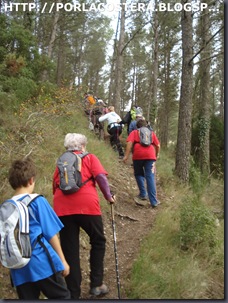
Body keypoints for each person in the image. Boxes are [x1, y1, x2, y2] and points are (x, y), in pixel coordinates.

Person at [53, 133, 115, 299]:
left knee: (69, 250)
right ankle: (96, 285)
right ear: (82, 146)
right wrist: (109, 196)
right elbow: (101, 177)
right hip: (87, 206)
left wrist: (61, 207)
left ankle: (73, 294)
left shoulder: (62, 161)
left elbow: (55, 185)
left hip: (62, 208)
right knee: (98, 240)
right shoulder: (90, 158)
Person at [6, 158, 70, 300]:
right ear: (31, 180)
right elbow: (51, 233)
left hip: (18, 269)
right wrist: (62, 260)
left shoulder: (6, 207)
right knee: (62, 297)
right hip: (42, 263)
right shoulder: (37, 201)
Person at [123, 119, 160, 208]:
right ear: (146, 126)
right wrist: (156, 154)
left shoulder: (135, 132)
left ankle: (143, 194)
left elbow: (129, 143)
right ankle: (154, 201)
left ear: (137, 126)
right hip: (150, 156)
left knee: (138, 173)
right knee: (150, 176)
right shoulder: (151, 133)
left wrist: (126, 156)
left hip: (138, 155)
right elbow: (158, 145)